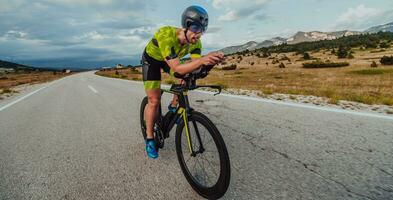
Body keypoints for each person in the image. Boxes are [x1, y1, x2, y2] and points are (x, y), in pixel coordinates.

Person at [141, 5, 224, 159]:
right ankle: (150, 138)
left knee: (187, 74)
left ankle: (174, 106)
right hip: (151, 61)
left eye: (203, 30)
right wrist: (203, 60)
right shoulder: (166, 35)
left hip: (170, 61)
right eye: (195, 27)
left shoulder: (196, 43)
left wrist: (210, 62)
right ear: (185, 25)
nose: (198, 34)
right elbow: (177, 68)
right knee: (154, 100)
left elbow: (195, 69)